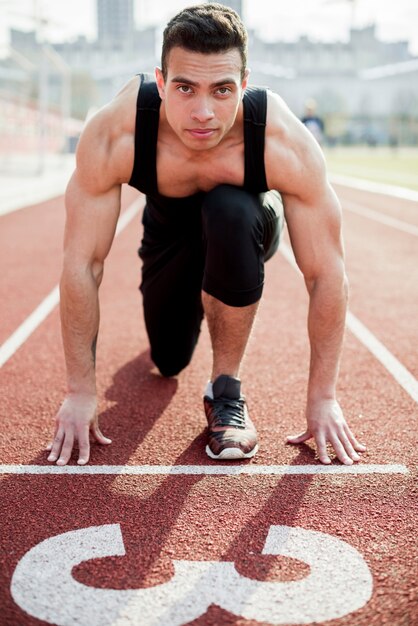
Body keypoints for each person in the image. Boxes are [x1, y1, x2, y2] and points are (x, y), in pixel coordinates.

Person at [47, 3, 366, 467]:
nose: (202, 112)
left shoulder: (281, 141)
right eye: (184, 88)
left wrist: (324, 398)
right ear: (160, 83)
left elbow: (326, 273)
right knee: (169, 361)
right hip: (168, 231)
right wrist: (80, 391)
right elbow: (83, 262)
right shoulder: (116, 134)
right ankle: (191, 310)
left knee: (230, 209)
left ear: (245, 83)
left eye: (222, 90)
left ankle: (226, 389)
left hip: (247, 223)